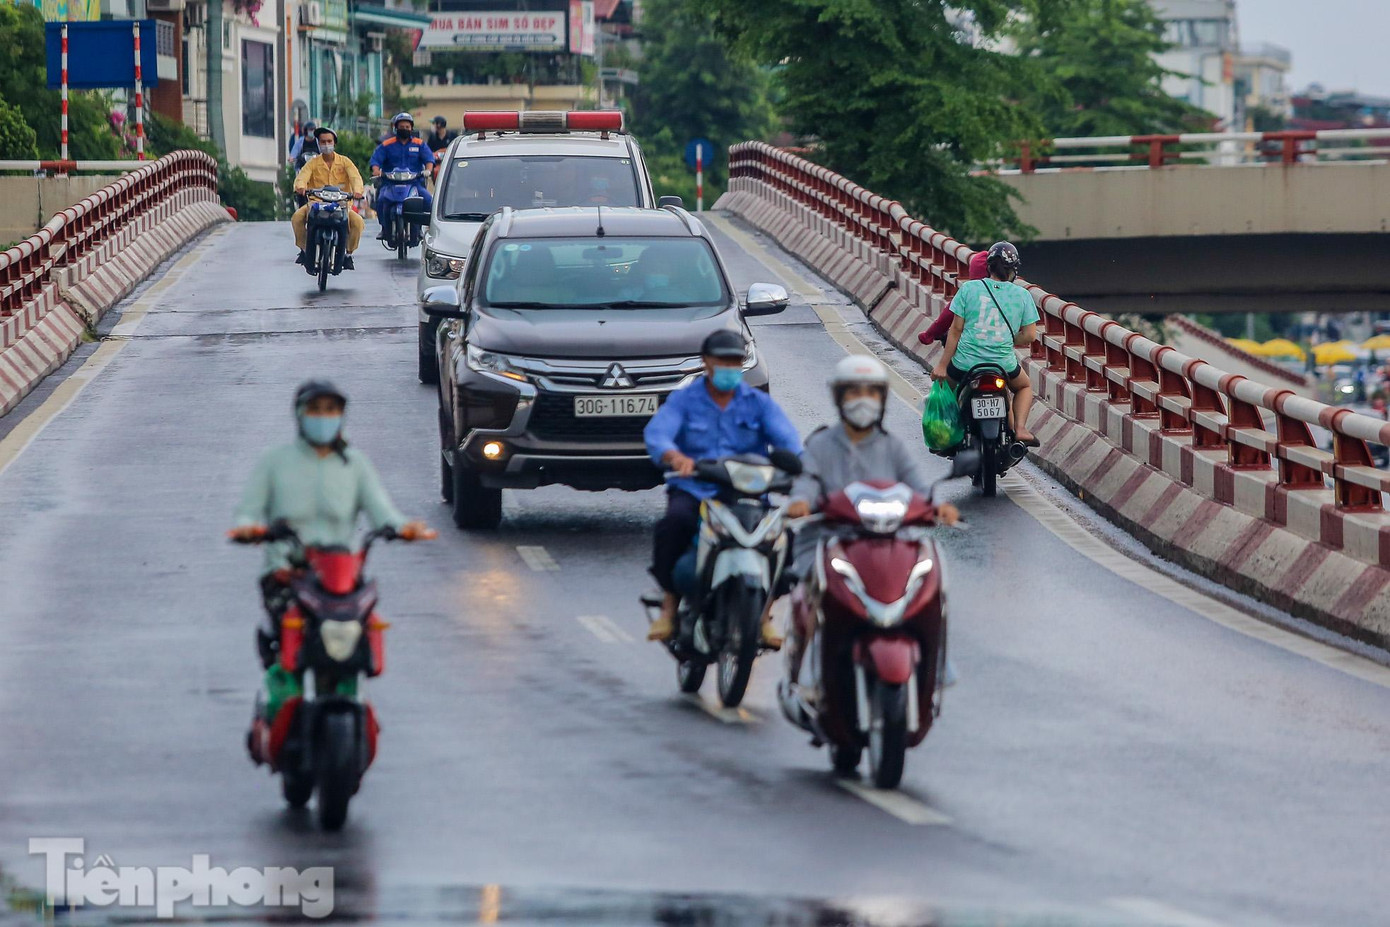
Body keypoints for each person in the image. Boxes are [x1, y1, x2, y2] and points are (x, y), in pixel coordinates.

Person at [230, 381, 434, 726]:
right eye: (315, 410)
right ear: (299, 415)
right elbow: (248, 511)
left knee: (358, 633)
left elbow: (382, 512)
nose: (323, 418)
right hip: (287, 572)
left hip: (339, 577)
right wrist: (249, 528)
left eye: (331, 410)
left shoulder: (354, 464)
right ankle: (275, 708)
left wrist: (404, 527)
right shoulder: (275, 462)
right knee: (279, 636)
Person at [782, 355, 959, 685]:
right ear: (838, 398)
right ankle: (805, 671)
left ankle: (938, 665)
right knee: (812, 594)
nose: (863, 399)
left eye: (871, 392)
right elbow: (806, 481)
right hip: (828, 538)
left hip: (887, 543)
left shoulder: (892, 447)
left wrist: (939, 506)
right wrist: (800, 503)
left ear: (882, 399)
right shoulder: (821, 444)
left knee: (932, 584)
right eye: (853, 392)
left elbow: (919, 487)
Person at [643, 329, 803, 644]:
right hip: (696, 490)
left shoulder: (758, 403)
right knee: (673, 525)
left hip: (749, 495)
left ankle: (764, 615)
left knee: (786, 543)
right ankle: (669, 607)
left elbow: (790, 444)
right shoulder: (685, 399)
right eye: (723, 361)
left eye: (735, 361)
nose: (729, 368)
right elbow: (657, 433)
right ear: (706, 363)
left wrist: (804, 475)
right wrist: (675, 457)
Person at [931, 241, 1040, 446]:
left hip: (965, 363)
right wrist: (1007, 338)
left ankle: (951, 429)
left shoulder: (969, 289)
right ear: (1013, 270)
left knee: (946, 387)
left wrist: (942, 365)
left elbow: (955, 331)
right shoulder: (1023, 295)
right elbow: (1030, 336)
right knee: (1024, 386)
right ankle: (1021, 429)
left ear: (988, 266)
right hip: (1003, 364)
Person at [291, 126, 366, 269]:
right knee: (297, 218)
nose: (326, 145)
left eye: (329, 141)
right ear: (318, 143)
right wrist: (300, 187)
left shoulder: (345, 162)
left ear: (334, 143)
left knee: (358, 222)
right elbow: (302, 177)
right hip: (315, 203)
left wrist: (357, 191)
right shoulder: (312, 163)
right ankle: (305, 250)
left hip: (342, 204)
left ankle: (348, 254)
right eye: (323, 142)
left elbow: (356, 177)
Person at [368, 112, 436, 242]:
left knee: (428, 201)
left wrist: (428, 170)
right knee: (381, 200)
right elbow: (375, 160)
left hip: (414, 183)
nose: (404, 129)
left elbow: (429, 159)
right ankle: (384, 228)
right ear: (395, 128)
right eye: (401, 126)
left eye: (407, 127)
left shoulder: (419, 144)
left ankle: (421, 229)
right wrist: (376, 171)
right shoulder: (387, 144)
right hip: (390, 183)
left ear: (411, 128)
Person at [918, 251, 989, 347]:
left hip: (971, 349)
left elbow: (946, 317)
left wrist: (928, 335)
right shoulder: (1008, 294)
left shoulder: (968, 292)